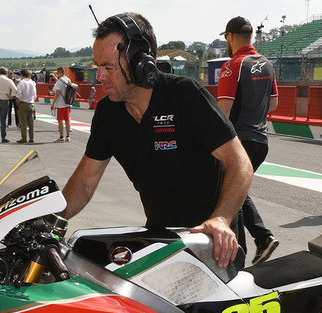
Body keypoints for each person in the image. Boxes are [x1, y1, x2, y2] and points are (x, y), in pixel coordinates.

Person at [60, 12, 252, 268]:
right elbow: (85, 182)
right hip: (162, 241)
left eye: (108, 67)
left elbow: (240, 164)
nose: (100, 76)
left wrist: (221, 219)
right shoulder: (108, 112)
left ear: (141, 64)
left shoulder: (186, 95)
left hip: (211, 243)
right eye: (97, 66)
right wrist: (50, 222)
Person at [217, 16, 281, 265]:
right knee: (238, 191)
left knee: (230, 193)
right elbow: (274, 103)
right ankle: (260, 240)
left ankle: (244, 250)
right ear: (251, 36)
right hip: (261, 140)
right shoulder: (267, 64)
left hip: (238, 140)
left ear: (230, 37)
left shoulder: (233, 65)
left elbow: (224, 110)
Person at [51, 67, 72, 143]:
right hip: (67, 103)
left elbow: (56, 94)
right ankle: (68, 137)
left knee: (60, 120)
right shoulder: (68, 80)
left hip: (60, 104)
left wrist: (53, 103)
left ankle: (61, 137)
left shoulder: (59, 82)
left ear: (59, 73)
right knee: (67, 120)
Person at [15, 69, 37, 143]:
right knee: (31, 123)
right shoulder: (32, 82)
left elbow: (19, 93)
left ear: (21, 75)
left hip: (23, 103)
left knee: (23, 122)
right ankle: (32, 138)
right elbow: (35, 94)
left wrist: (17, 101)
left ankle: (24, 138)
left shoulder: (21, 82)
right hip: (31, 103)